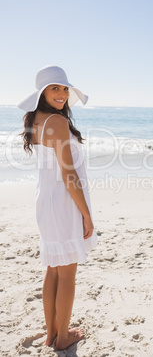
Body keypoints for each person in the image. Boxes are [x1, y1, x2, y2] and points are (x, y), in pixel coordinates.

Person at [17, 65, 98, 350]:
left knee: (53, 269)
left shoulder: (35, 120)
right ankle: (62, 337)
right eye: (55, 88)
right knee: (67, 274)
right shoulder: (58, 122)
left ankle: (52, 332)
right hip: (63, 203)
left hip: (45, 202)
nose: (62, 94)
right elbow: (69, 174)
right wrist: (86, 214)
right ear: (42, 93)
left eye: (65, 88)